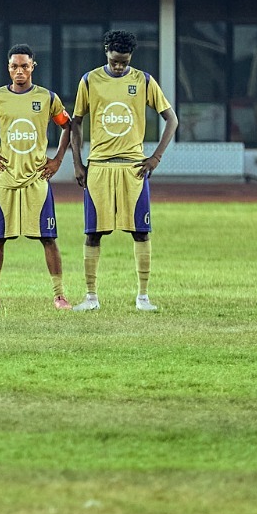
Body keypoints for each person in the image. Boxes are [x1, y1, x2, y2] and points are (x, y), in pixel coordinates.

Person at [67, 30, 180, 312]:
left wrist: (155, 157)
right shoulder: (90, 80)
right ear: (106, 51)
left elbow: (171, 119)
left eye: (124, 61)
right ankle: (91, 297)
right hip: (100, 167)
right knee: (93, 233)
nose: (119, 66)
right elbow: (76, 123)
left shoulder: (142, 80)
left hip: (133, 169)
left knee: (141, 232)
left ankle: (143, 297)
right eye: (115, 61)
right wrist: (78, 163)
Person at [0, 44, 73, 309]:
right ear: (8, 68)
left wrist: (57, 160)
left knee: (48, 238)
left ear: (33, 67)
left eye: (24, 66)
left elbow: (68, 126)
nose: (19, 71)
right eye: (14, 66)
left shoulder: (47, 98)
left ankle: (59, 295)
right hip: (5, 179)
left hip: (36, 179)